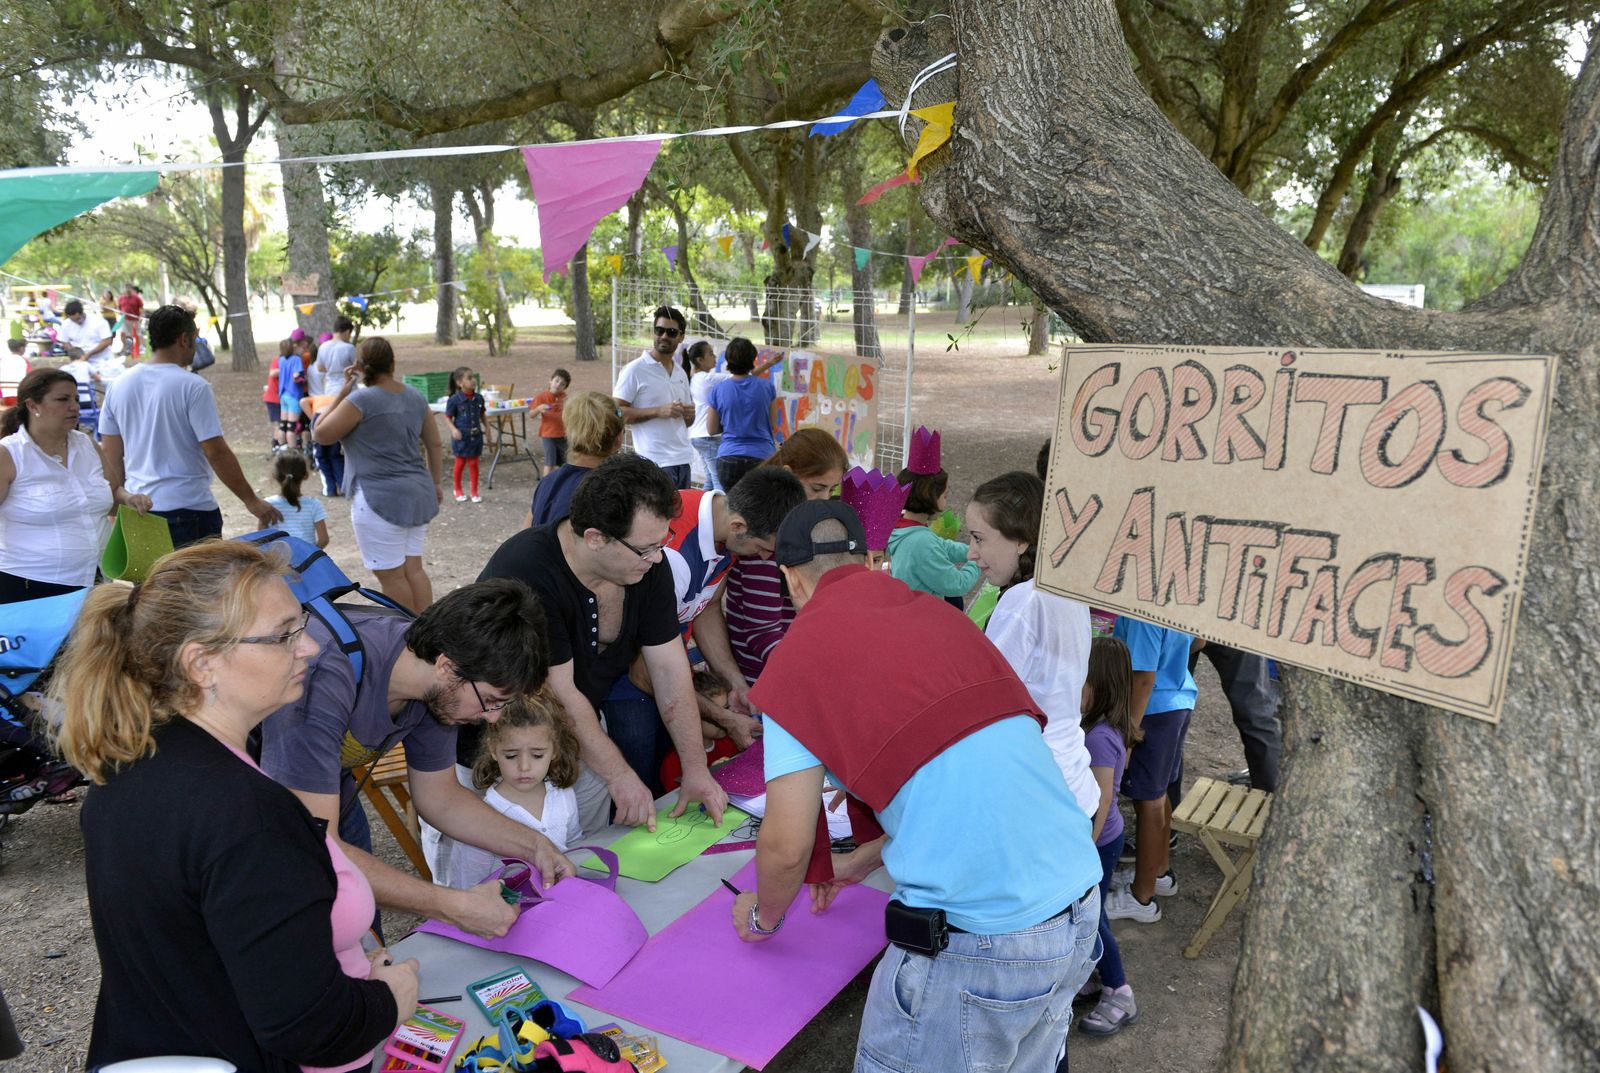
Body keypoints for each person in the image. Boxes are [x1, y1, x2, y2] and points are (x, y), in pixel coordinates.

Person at [734, 500, 1102, 1073]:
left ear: (789, 580)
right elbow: (978, 779)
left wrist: (763, 915)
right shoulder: (943, 618)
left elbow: (786, 844)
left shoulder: (799, 658)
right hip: (1077, 905)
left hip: (985, 942)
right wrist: (861, 861)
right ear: (871, 558)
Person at [53, 541, 417, 1072]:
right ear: (202, 664)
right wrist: (390, 996)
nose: (311, 648)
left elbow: (210, 945)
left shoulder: (132, 764)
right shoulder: (248, 814)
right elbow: (311, 1028)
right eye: (284, 634)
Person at [260, 578, 574, 937]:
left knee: (363, 930)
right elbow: (315, 844)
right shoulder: (323, 676)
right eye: (491, 701)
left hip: (329, 803)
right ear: (446, 666)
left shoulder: (438, 689)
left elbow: (440, 797)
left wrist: (536, 846)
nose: (493, 719)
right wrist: (451, 905)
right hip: (265, 824)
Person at [478, 453, 730, 836]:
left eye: (662, 543)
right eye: (645, 548)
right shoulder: (527, 569)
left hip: (577, 738)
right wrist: (619, 774)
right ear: (595, 538)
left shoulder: (648, 566)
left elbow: (669, 667)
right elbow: (559, 691)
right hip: (498, 751)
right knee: (501, 877)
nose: (658, 557)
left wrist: (695, 768)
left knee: (585, 859)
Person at [624, 466, 807, 748]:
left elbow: (706, 609)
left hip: (664, 667)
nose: (765, 557)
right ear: (738, 527)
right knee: (645, 770)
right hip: (627, 681)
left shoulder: (723, 526)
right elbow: (644, 672)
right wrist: (724, 718)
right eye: (762, 548)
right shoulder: (673, 558)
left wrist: (735, 682)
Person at [967, 471, 1101, 822]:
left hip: (1034, 793)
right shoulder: (1061, 587)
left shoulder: (1022, 601)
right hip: (1070, 780)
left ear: (1022, 541)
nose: (971, 553)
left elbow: (983, 704)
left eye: (979, 539)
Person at [100, 304, 283, 548]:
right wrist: (251, 501)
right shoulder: (193, 386)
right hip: (189, 511)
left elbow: (111, 456)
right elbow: (216, 452)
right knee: (198, 586)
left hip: (139, 510)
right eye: (196, 339)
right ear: (184, 339)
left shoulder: (118, 385)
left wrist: (116, 506)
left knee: (151, 586)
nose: (196, 347)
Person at [313, 336, 443, 613]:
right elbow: (434, 443)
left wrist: (342, 392)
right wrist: (436, 483)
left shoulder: (360, 400)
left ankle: (406, 640)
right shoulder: (415, 397)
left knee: (392, 576)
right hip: (418, 492)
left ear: (359, 365)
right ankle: (428, 633)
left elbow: (320, 434)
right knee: (414, 570)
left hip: (378, 496)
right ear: (393, 363)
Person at [0, 370, 148, 601]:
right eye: (63, 399)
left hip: (96, 580)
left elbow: (112, 491)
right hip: (31, 586)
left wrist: (129, 498)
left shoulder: (87, 444)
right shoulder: (9, 454)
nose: (74, 407)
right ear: (32, 405)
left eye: (76, 399)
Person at [722, 429, 847, 683]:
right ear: (789, 475)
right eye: (817, 488)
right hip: (764, 675)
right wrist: (810, 676)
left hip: (788, 661)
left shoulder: (795, 526)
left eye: (831, 490)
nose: (824, 499)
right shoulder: (767, 538)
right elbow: (762, 631)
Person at [427, 690, 583, 891]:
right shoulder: (482, 818)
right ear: (493, 750)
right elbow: (468, 885)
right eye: (511, 755)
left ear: (554, 751)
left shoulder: (563, 795)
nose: (524, 766)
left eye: (537, 755)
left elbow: (574, 847)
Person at [1102, 613, 1197, 923]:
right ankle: (1158, 872)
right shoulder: (1173, 598)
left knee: (1148, 800)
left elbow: (1143, 678)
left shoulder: (1142, 612)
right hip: (1179, 697)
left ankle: (1141, 898)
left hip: (1153, 710)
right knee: (1159, 792)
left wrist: (1128, 735)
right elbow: (1200, 640)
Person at [1077, 635, 1140, 1037]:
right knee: (1090, 913)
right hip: (1106, 836)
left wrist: (1082, 850)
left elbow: (1100, 800)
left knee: (1094, 916)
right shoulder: (1114, 726)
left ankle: (1120, 991)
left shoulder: (1098, 737)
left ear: (1097, 684)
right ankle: (1098, 975)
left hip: (1097, 841)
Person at [887, 427, 981, 606]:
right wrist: (977, 560)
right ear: (929, 496)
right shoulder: (921, 542)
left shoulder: (903, 526)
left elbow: (942, 546)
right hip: (923, 619)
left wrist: (969, 551)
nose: (947, 498)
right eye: (944, 495)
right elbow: (957, 583)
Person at [614, 305, 694, 488]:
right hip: (653, 463)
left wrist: (690, 416)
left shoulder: (681, 372)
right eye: (659, 330)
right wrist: (658, 411)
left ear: (681, 337)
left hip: (683, 459)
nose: (664, 336)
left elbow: (687, 422)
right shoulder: (635, 370)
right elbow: (616, 413)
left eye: (671, 332)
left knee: (681, 516)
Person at [528, 390, 624, 528]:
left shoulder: (548, 483)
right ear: (619, 437)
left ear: (569, 431)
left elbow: (525, 536)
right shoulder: (619, 490)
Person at [707, 337, 781, 493]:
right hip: (762, 457)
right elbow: (773, 424)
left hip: (728, 458)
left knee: (732, 508)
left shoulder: (718, 390)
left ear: (728, 359)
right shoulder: (767, 387)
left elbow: (712, 429)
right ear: (753, 358)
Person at [684, 340, 729, 491]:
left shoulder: (696, 377)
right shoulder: (705, 378)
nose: (714, 356)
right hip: (706, 437)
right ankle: (719, 512)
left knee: (710, 478)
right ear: (700, 360)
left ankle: (702, 511)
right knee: (719, 481)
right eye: (710, 354)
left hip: (697, 435)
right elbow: (738, 378)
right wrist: (766, 365)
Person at [266, 449, 329, 549]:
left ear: (275, 475)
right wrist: (310, 555)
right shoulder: (314, 504)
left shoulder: (267, 505)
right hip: (306, 562)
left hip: (277, 562)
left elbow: (261, 537)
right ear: (306, 475)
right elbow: (324, 539)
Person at [446, 366, 489, 503]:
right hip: (461, 437)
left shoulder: (479, 398)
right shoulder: (454, 400)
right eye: (469, 378)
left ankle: (474, 491)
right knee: (460, 463)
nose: (473, 380)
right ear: (460, 383)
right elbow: (447, 417)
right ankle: (457, 488)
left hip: (476, 436)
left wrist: (487, 428)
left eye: (473, 377)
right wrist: (453, 430)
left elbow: (482, 414)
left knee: (474, 463)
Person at [57, 299, 116, 377]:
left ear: (82, 313)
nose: (77, 322)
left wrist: (89, 354)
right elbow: (64, 342)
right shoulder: (66, 324)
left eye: (78, 319)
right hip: (80, 361)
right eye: (73, 320)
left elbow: (107, 341)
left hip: (102, 361)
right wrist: (76, 354)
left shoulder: (98, 321)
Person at [531, 368, 571, 478]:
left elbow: (569, 413)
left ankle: (562, 483)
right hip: (548, 435)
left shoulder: (564, 398)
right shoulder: (541, 396)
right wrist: (538, 409)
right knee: (550, 463)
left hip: (563, 434)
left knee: (567, 462)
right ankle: (546, 486)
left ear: (565, 387)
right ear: (551, 380)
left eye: (562, 384)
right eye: (557, 380)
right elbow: (531, 415)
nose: (558, 385)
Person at [315, 317, 358, 393]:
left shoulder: (322, 347)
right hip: (348, 388)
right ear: (348, 332)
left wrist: (332, 370)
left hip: (330, 388)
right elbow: (358, 365)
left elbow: (320, 368)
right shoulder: (349, 348)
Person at [265, 340, 288, 452]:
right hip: (274, 398)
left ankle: (277, 443)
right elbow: (273, 373)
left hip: (281, 398)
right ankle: (277, 445)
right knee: (280, 423)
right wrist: (287, 369)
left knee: (281, 423)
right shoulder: (278, 360)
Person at [116, 283, 144, 359]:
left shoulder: (136, 298)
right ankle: (126, 348)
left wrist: (141, 316)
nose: (127, 290)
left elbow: (141, 308)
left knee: (137, 334)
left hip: (135, 319)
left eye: (129, 288)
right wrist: (120, 313)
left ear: (131, 289)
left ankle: (139, 348)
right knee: (123, 334)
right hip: (124, 319)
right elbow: (119, 307)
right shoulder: (121, 298)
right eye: (126, 288)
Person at [1, 340, 29, 405]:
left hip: (3, 397)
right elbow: (29, 377)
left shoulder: (2, 360)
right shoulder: (24, 361)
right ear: (21, 348)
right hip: (19, 397)